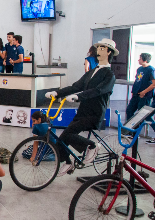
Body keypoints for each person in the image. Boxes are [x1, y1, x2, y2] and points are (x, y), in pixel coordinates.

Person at [45, 38, 118, 176]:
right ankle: (68, 162)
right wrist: (57, 93)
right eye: (99, 47)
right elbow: (76, 86)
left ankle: (92, 145)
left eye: (102, 48)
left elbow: (98, 90)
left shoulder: (110, 75)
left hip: (94, 113)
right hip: (83, 111)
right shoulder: (92, 71)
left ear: (109, 52)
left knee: (70, 133)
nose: (99, 50)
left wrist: (78, 96)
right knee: (63, 138)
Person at [126, 53, 155, 121]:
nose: (138, 60)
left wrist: (144, 92)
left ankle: (137, 129)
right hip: (136, 93)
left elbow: (154, 83)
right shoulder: (139, 69)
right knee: (129, 110)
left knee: (141, 114)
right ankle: (130, 129)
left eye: (140, 58)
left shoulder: (151, 70)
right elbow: (137, 80)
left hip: (144, 95)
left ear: (145, 60)